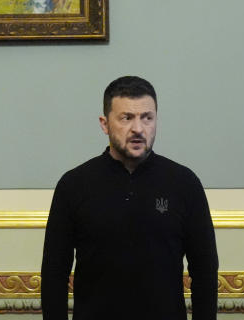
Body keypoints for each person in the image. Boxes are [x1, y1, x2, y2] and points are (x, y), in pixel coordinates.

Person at [40, 75, 218, 319]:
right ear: (105, 124)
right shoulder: (74, 185)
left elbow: (205, 270)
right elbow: (54, 273)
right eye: (127, 118)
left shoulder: (184, 183)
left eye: (147, 118)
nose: (138, 129)